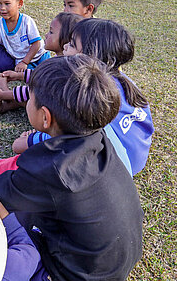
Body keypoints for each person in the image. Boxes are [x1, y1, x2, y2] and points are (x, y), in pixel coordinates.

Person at [0, 55, 144, 281]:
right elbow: (17, 174)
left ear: (45, 118)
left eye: (30, 98)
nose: (27, 102)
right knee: (24, 206)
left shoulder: (53, 170)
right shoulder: (95, 140)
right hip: (103, 278)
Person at [12, 18, 154, 177]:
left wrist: (30, 141)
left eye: (72, 44)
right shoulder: (123, 80)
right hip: (138, 155)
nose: (65, 46)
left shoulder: (83, 91)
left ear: (90, 57)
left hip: (117, 166)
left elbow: (67, 129)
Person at [0, 12, 82, 116]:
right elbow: (40, 75)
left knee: (34, 95)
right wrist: (19, 76)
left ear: (65, 41)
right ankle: (5, 106)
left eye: (51, 32)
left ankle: (8, 99)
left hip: (53, 114)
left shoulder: (62, 68)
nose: (46, 35)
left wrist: (3, 94)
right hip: (52, 106)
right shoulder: (60, 60)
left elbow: (32, 92)